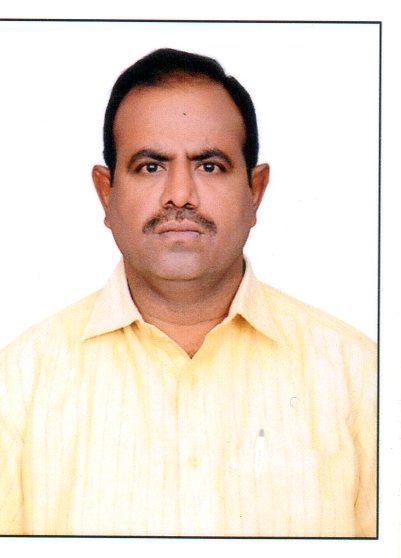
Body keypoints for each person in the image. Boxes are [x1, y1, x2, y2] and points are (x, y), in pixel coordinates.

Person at [0, 48, 376, 538]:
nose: (180, 195)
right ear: (106, 193)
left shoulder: (361, 381)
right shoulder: (18, 387)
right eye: (150, 167)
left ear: (255, 190)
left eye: (210, 166)